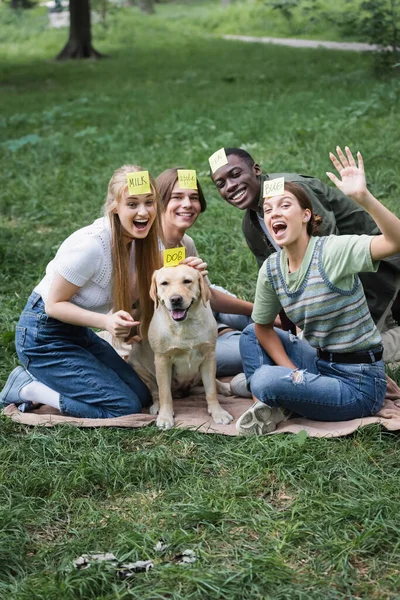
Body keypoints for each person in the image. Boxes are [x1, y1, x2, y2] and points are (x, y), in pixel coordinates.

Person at [235, 146, 400, 435]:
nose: (275, 213)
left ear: (306, 215)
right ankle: (279, 398)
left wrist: (364, 198)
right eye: (269, 209)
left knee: (264, 379)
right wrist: (293, 372)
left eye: (285, 205)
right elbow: (261, 327)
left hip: (357, 383)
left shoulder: (333, 251)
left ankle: (275, 397)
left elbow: (395, 243)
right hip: (319, 363)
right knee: (249, 336)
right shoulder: (272, 269)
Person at [0, 165, 163, 418]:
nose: (143, 212)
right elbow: (53, 305)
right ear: (114, 206)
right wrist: (106, 321)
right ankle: (28, 388)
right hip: (41, 336)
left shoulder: (144, 244)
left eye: (149, 202)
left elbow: (141, 294)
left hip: (76, 333)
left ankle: (56, 377)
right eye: (132, 204)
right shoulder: (90, 245)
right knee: (123, 406)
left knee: (141, 396)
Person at [210, 147, 400, 363]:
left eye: (235, 174)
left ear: (256, 169)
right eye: (221, 184)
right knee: (313, 352)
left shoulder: (291, 191)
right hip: (334, 287)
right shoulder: (250, 225)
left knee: (342, 355)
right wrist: (294, 328)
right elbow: (276, 283)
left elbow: (328, 257)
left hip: (373, 270)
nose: (230, 186)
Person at [156, 167, 253, 381]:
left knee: (232, 306)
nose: (187, 204)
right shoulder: (146, 243)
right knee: (250, 348)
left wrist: (261, 313)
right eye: (177, 197)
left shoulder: (185, 242)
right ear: (160, 202)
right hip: (173, 333)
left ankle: (228, 329)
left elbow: (210, 296)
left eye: (193, 197)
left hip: (195, 311)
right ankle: (234, 334)